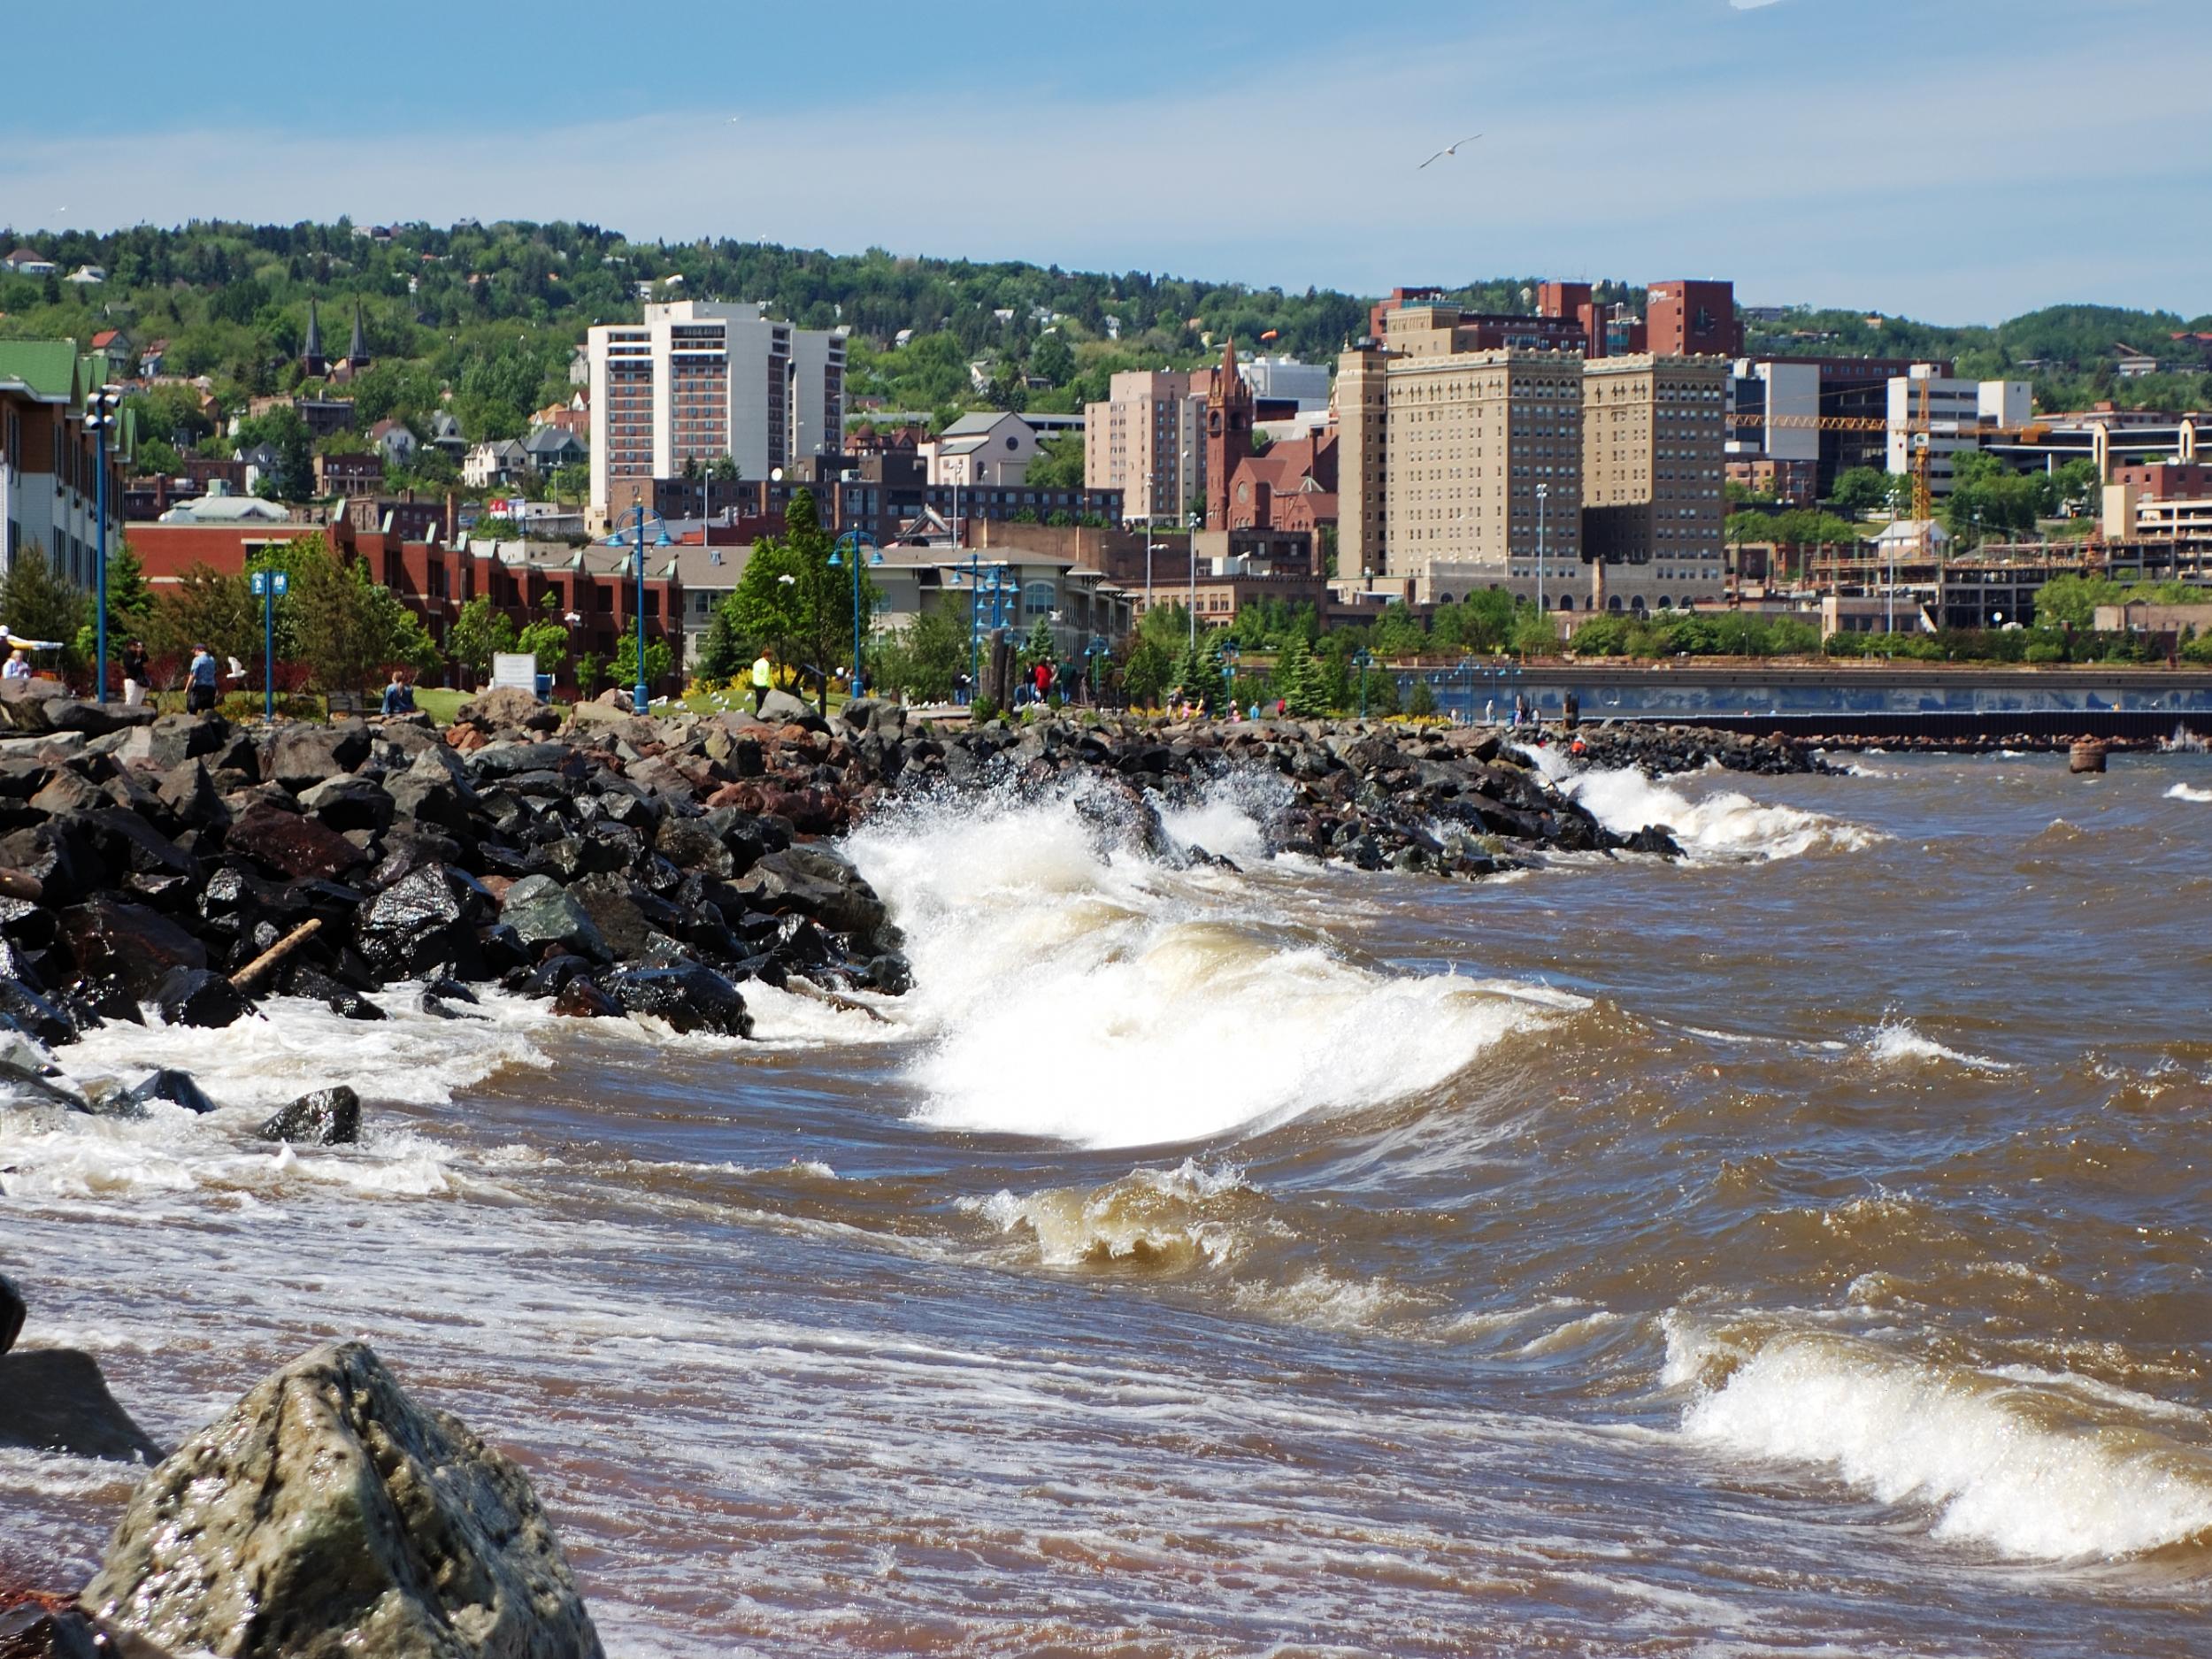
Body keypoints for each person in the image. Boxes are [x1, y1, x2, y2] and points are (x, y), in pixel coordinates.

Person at [186, 645, 219, 714]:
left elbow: (193, 675)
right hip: (211, 688)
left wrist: (187, 687)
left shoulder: (197, 660)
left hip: (199, 688)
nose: (194, 653)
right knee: (209, 713)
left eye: (194, 651)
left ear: (198, 650)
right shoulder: (212, 660)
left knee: (192, 710)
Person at [121, 640, 150, 708]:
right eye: (135, 645)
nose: (136, 647)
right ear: (129, 646)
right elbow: (133, 665)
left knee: (139, 701)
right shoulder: (127, 654)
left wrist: (142, 652)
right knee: (131, 702)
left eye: (137, 646)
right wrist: (138, 656)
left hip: (140, 680)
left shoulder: (138, 654)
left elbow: (146, 659)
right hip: (131, 680)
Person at [749, 649, 773, 715]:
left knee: (759, 701)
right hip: (763, 684)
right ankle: (766, 715)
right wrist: (769, 685)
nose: (771, 658)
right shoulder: (766, 664)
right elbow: (766, 675)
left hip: (756, 683)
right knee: (767, 701)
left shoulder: (756, 662)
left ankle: (758, 714)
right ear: (768, 656)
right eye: (771, 656)